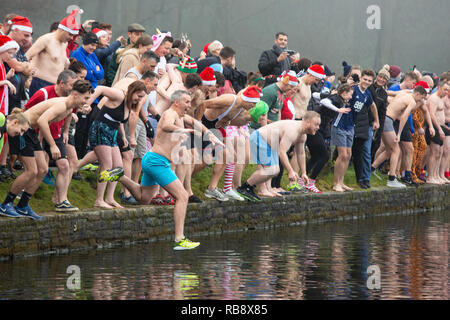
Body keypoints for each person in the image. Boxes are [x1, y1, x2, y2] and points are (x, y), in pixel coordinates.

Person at [98, 90, 224, 250]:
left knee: (144, 198)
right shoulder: (170, 114)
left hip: (153, 160)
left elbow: (194, 122)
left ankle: (120, 176)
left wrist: (209, 135)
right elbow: (165, 126)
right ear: (176, 102)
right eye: (186, 102)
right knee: (183, 196)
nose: (189, 105)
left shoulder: (180, 116)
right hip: (158, 161)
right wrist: (182, 131)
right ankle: (179, 238)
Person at [2, 80, 93, 220]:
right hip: (22, 129)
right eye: (85, 97)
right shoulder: (62, 105)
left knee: (43, 169)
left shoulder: (69, 108)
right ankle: (6, 204)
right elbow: (42, 121)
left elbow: (47, 122)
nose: (87, 101)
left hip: (31, 133)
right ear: (75, 95)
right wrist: (52, 145)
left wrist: (38, 142)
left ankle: (23, 205)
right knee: (31, 171)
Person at [16, 70, 79, 211]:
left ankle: (61, 200)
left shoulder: (72, 97)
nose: (74, 88)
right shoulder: (43, 93)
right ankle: (21, 192)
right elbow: (26, 112)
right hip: (36, 132)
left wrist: (66, 131)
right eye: (71, 85)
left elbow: (70, 112)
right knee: (38, 167)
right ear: (62, 83)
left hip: (55, 133)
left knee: (64, 165)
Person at [87, 81, 148, 209]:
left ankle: (109, 198)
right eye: (139, 95)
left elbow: (118, 120)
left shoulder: (129, 104)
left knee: (118, 167)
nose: (140, 99)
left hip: (112, 133)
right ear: (132, 90)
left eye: (142, 97)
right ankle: (99, 199)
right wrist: (88, 104)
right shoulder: (119, 96)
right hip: (100, 129)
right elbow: (100, 88)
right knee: (107, 165)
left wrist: (123, 136)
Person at [236, 111, 321, 202]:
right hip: (259, 138)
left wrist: (303, 173)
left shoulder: (303, 135)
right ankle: (245, 187)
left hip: (270, 143)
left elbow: (300, 153)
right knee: (271, 169)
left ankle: (261, 189)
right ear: (307, 122)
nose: (318, 127)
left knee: (275, 170)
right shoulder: (293, 130)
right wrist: (290, 171)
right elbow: (282, 152)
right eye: (316, 124)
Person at [371, 85, 430, 187]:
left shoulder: (403, 94)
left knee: (389, 150)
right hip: (388, 120)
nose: (422, 101)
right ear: (417, 94)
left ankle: (371, 169)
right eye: (421, 98)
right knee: (396, 150)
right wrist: (399, 133)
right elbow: (404, 117)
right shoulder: (411, 101)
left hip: (384, 118)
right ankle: (392, 179)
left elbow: (390, 95)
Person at [26, 9, 80, 97]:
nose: (71, 38)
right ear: (62, 30)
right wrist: (27, 76)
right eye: (70, 34)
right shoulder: (46, 39)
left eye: (73, 35)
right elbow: (27, 56)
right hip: (40, 83)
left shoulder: (65, 43)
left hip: (56, 87)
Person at [318, 84, 354, 192]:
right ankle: (336, 183)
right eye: (350, 95)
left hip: (348, 128)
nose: (351, 97)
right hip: (338, 127)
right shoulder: (337, 98)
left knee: (348, 155)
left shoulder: (344, 100)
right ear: (344, 93)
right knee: (342, 154)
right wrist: (338, 110)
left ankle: (341, 182)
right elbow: (323, 101)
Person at [349, 69, 380, 189]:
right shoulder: (353, 89)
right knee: (347, 152)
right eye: (365, 79)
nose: (366, 82)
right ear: (360, 78)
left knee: (364, 152)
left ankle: (364, 178)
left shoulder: (367, 93)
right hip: (350, 124)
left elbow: (373, 105)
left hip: (362, 125)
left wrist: (376, 120)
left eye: (369, 81)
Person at [0, 109, 30, 217]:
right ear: (15, 122)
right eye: (21, 130)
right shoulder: (1, 120)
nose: (20, 134)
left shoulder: (3, 132)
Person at [425, 79, 450, 184]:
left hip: (441, 126)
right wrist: (439, 129)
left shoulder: (440, 98)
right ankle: (430, 176)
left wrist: (444, 127)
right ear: (439, 87)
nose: (446, 92)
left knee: (439, 152)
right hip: (435, 127)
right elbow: (431, 114)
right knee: (434, 151)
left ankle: (436, 175)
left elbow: (441, 116)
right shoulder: (434, 98)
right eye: (445, 89)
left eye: (447, 90)